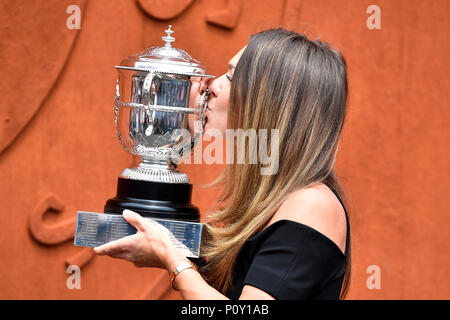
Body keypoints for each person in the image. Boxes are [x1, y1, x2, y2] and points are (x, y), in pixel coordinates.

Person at [94, 28, 351, 300]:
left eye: (230, 77)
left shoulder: (312, 204)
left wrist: (172, 259)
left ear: (268, 102)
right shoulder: (276, 200)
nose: (213, 85)